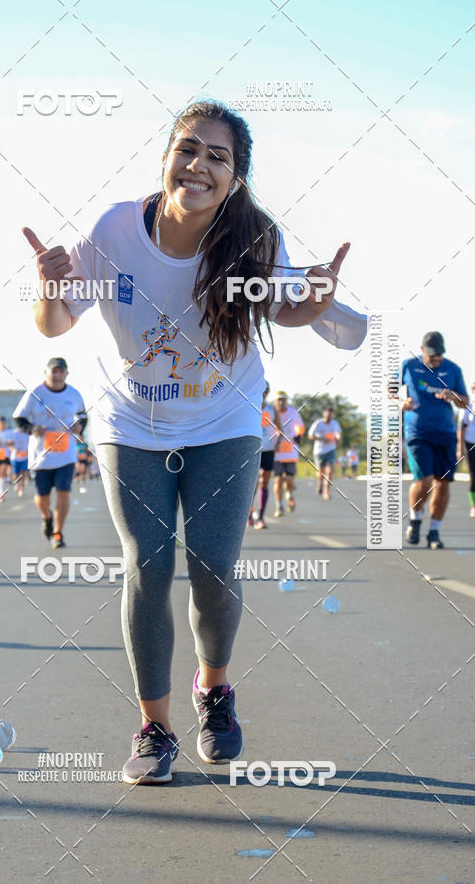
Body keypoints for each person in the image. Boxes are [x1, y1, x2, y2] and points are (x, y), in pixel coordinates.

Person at [23, 99, 367, 784]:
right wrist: (48, 288)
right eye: (189, 148)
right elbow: (56, 323)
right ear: (166, 159)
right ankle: (154, 728)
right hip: (131, 422)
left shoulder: (254, 239)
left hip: (225, 421)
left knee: (212, 565)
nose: (200, 164)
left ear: (234, 178)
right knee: (147, 566)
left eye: (218, 157)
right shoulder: (119, 229)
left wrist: (319, 303)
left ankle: (214, 689)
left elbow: (287, 309)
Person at [402, 332, 468, 548]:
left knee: (444, 483)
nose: (436, 359)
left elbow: (464, 401)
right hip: (418, 432)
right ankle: (415, 519)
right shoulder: (408, 366)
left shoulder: (453, 369)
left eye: (440, 356)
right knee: (425, 479)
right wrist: (400, 401)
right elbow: (390, 390)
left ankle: (434, 533)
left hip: (445, 433)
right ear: (422, 351)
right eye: (432, 356)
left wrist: (453, 396)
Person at [13, 357, 87, 548]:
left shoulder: (74, 394)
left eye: (61, 371)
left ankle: (58, 532)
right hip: (41, 455)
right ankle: (46, 517)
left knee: (64, 491)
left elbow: (83, 416)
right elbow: (19, 417)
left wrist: (80, 427)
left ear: (66, 374)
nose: (57, 374)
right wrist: (32, 429)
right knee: (42, 497)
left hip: (65, 453)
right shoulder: (35, 393)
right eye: (53, 371)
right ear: (46, 373)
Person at [247, 384, 280, 530]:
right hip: (252, 449)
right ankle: (248, 515)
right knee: (252, 483)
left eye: (266, 391)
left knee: (264, 482)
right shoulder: (249, 405)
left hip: (268, 449)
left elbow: (280, 428)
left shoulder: (272, 410)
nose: (264, 393)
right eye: (262, 390)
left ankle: (260, 517)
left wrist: (278, 440)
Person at [272, 391, 304, 516]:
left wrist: (299, 435)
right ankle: (279, 506)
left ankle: (289, 494)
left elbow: (300, 426)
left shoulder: (293, 412)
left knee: (289, 479)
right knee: (278, 480)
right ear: (275, 401)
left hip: (290, 451)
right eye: (278, 399)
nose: (281, 402)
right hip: (276, 451)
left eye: (283, 399)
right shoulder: (271, 413)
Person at [308, 406, 342, 500]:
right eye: (328, 414)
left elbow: (338, 433)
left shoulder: (335, 423)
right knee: (320, 473)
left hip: (331, 450)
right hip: (319, 451)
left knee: (330, 471)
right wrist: (322, 439)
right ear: (324, 414)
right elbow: (310, 435)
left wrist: (338, 438)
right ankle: (319, 482)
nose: (330, 416)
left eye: (331, 414)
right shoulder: (318, 423)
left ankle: (326, 492)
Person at [457, 383, 475, 518]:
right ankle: (474, 505)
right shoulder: (467, 406)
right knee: (474, 475)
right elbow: (461, 428)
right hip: (471, 444)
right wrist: (460, 449)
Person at [7, 424, 30, 497]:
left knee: (23, 473)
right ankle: (17, 484)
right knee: (15, 474)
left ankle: (21, 489)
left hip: (25, 457)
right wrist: (14, 449)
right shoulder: (13, 433)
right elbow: (9, 445)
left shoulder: (27, 434)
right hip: (15, 457)